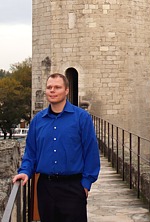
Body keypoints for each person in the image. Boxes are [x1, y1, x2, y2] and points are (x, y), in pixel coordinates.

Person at [13, 73, 101, 222]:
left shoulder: (81, 118)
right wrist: (25, 172)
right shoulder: (37, 121)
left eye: (57, 87)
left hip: (73, 187)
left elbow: (91, 153)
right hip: (45, 188)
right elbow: (31, 153)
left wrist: (86, 184)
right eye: (49, 87)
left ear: (66, 90)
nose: (52, 90)